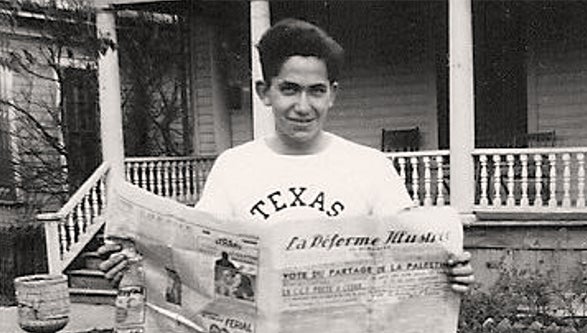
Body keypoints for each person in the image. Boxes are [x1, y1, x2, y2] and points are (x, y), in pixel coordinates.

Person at [100, 18, 473, 292]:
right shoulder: (234, 168)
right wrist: (136, 267)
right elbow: (198, 260)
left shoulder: (370, 168)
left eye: (316, 91)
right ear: (265, 92)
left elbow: (411, 255)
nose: (303, 106)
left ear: (332, 94)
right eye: (290, 89)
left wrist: (451, 271)